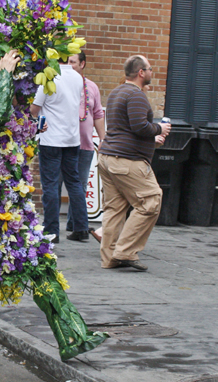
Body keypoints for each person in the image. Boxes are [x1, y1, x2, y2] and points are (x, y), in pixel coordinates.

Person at [97, 55, 170, 272]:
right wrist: (159, 129)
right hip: (127, 161)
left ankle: (110, 258)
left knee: (114, 209)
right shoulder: (136, 95)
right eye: (149, 69)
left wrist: (151, 139)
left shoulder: (116, 92)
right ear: (141, 72)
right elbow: (139, 126)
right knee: (151, 201)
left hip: (108, 158)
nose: (151, 72)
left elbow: (125, 128)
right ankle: (125, 252)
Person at [30, 58, 90, 242]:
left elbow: (34, 109)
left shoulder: (49, 78)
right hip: (72, 138)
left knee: (50, 184)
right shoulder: (78, 77)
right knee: (74, 183)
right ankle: (81, 227)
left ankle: (51, 230)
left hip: (51, 139)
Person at [65, 51, 106, 241]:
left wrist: (103, 138)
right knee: (57, 184)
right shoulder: (61, 83)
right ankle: (55, 227)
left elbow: (97, 113)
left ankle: (75, 223)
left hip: (85, 145)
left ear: (82, 64)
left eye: (72, 62)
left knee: (80, 185)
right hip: (63, 143)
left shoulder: (92, 87)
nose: (68, 64)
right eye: (66, 61)